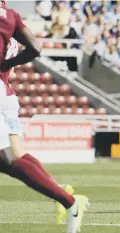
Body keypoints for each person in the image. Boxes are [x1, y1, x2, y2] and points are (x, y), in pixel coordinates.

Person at [0, 2, 88, 232]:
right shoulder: (11, 16)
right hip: (5, 93)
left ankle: (66, 199)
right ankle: (60, 191)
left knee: (8, 160)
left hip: (2, 92)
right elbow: (34, 48)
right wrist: (7, 64)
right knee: (15, 155)